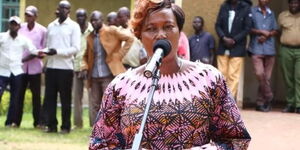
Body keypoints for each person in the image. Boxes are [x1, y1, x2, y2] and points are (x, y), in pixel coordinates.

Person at [89, 0, 251, 149]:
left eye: (168, 27)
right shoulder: (120, 86)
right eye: (151, 29)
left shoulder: (209, 79)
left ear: (179, 32)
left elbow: (236, 139)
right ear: (139, 36)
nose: (161, 35)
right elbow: (99, 143)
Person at [81, 10, 133, 126]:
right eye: (92, 20)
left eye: (96, 20)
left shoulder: (111, 30)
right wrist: (84, 66)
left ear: (102, 20)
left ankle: (110, 128)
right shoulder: (90, 37)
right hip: (94, 76)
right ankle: (96, 130)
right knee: (95, 104)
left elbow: (130, 38)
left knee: (109, 103)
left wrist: (119, 55)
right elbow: (86, 55)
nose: (94, 22)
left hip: (108, 74)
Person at [41, 0, 81, 133]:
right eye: (61, 7)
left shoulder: (73, 26)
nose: (62, 10)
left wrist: (57, 52)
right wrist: (44, 54)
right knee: (50, 98)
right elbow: (48, 45)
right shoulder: (51, 26)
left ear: (69, 11)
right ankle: (51, 125)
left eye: (65, 8)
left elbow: (76, 48)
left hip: (65, 68)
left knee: (65, 99)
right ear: (57, 9)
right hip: (51, 67)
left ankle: (65, 126)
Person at [0, 16, 38, 127]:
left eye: (15, 24)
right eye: (11, 24)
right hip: (3, 71)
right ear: (9, 25)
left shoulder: (23, 40)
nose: (13, 26)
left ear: (19, 26)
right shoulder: (2, 37)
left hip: (17, 71)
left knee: (15, 98)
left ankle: (9, 122)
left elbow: (34, 51)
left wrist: (25, 59)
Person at [215, 0, 252, 99]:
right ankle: (220, 100)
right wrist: (223, 37)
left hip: (238, 47)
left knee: (233, 76)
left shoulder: (246, 8)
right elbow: (217, 25)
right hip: (223, 46)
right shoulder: (224, 6)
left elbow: (247, 28)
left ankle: (229, 102)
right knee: (221, 75)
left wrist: (234, 40)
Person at [18, 5, 47, 128]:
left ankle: (38, 122)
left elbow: (42, 50)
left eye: (30, 15)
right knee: (19, 95)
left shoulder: (42, 30)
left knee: (36, 96)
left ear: (36, 16)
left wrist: (33, 55)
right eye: (26, 15)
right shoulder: (20, 28)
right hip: (21, 67)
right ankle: (16, 121)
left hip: (35, 68)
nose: (28, 17)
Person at [248, 0, 278, 112]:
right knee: (260, 74)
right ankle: (270, 96)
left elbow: (276, 30)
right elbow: (248, 28)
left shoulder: (271, 13)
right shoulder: (252, 11)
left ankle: (260, 103)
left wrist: (268, 35)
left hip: (270, 49)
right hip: (256, 48)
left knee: (266, 78)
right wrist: (261, 31)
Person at [72, 8, 93, 129]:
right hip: (75, 67)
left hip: (89, 69)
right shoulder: (74, 30)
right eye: (78, 16)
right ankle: (77, 123)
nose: (80, 19)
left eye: (82, 16)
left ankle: (92, 124)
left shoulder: (91, 30)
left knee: (91, 97)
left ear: (86, 17)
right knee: (76, 97)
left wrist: (87, 67)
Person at [278, 0, 300, 113]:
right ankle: (290, 103)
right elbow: (277, 32)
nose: (294, 5)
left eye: (297, 3)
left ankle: (298, 105)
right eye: (292, 3)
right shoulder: (282, 16)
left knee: (298, 77)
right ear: (289, 4)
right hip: (286, 49)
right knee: (288, 78)